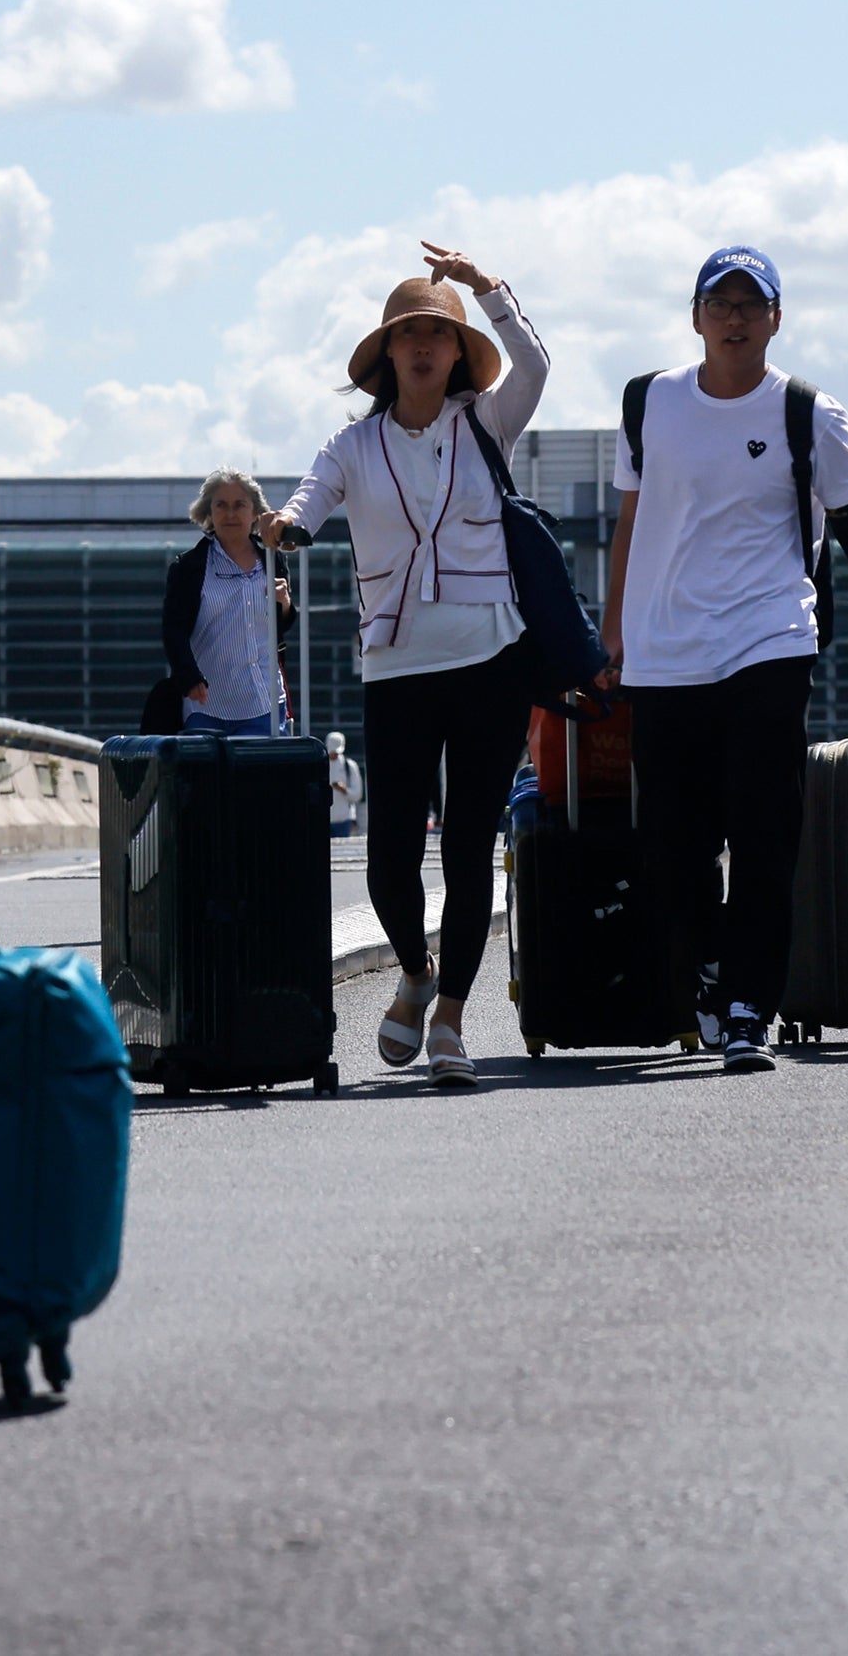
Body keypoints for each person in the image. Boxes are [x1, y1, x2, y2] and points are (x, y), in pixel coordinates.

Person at [597, 247, 848, 1073]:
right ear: (695, 317)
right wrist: (612, 631)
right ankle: (708, 970)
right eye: (720, 303)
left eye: (750, 304)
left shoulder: (807, 412)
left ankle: (748, 1008)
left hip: (768, 638)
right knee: (673, 844)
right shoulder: (647, 401)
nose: (733, 318)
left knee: (763, 832)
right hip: (664, 651)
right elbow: (631, 521)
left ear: (775, 318)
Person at [253, 245, 544, 1089]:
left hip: (490, 657)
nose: (422, 346)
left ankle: (449, 1018)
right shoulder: (352, 444)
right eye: (407, 334)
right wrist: (289, 528)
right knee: (389, 857)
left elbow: (533, 364)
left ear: (457, 352)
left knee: (467, 849)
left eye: (436, 333)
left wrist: (486, 289)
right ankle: (415, 971)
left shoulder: (486, 423)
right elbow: (309, 497)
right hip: (396, 665)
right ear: (386, 353)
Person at [159, 470, 295, 736]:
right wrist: (188, 677)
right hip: (207, 705)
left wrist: (286, 605)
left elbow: (281, 626)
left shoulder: (273, 559)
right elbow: (173, 630)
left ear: (255, 513)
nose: (230, 514)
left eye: (239, 505)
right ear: (209, 512)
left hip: (263, 703)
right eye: (221, 505)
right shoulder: (189, 567)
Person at [324, 730, 363, 842]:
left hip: (344, 821)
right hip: (324, 819)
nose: (333, 755)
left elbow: (357, 795)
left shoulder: (349, 766)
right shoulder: (321, 765)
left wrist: (343, 789)